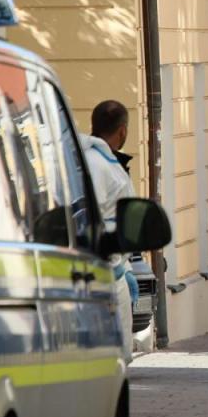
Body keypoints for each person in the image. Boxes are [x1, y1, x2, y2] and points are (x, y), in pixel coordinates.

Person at [80, 100, 136, 364]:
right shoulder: (98, 165)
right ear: (122, 130)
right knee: (114, 362)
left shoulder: (100, 161)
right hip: (106, 273)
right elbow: (92, 217)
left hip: (113, 269)